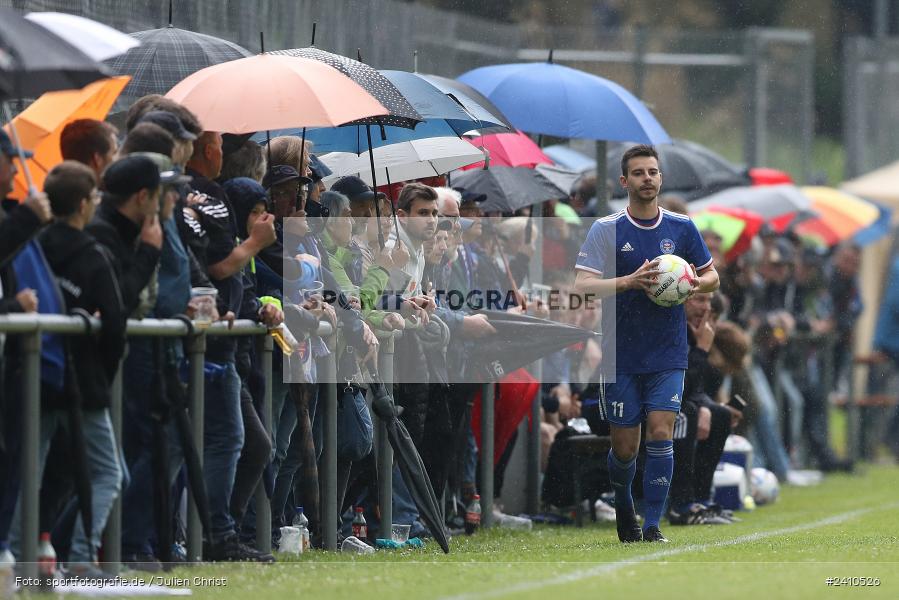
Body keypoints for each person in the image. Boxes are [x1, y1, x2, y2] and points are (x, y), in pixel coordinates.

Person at [573, 144, 719, 543]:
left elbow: (713, 278)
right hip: (621, 352)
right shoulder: (606, 229)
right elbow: (581, 285)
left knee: (660, 432)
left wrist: (689, 282)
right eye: (638, 173)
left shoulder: (682, 228)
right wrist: (628, 282)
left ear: (660, 178)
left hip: (668, 352)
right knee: (625, 446)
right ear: (625, 181)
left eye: (652, 172)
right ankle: (624, 505)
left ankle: (652, 525)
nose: (647, 179)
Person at [29, 161, 126, 577]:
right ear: (85, 202)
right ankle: (83, 557)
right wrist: (101, 378)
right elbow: (115, 325)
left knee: (28, 473)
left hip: (36, 377)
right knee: (108, 471)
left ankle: (22, 555)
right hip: (83, 385)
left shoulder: (31, 245)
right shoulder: (92, 254)